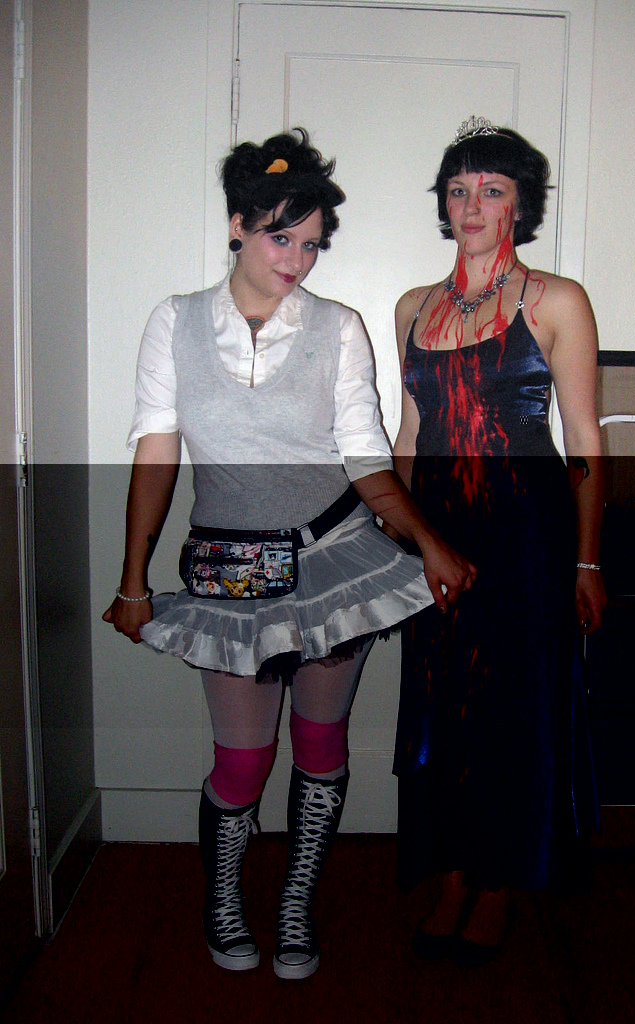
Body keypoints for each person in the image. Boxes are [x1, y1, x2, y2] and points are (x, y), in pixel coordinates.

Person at [103, 129, 474, 981]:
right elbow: (156, 455)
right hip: (230, 568)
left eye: (311, 244)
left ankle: (298, 897)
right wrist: (132, 581)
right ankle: (223, 897)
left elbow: (367, 458)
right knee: (242, 759)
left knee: (320, 743)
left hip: (334, 560)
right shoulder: (175, 321)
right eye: (281, 238)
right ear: (237, 224)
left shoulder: (338, 328)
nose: (298, 261)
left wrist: (429, 545)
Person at [391, 116, 606, 967]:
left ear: (521, 205)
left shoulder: (557, 301)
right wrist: (401, 541)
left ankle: (500, 882)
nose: (472, 205)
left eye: (492, 189)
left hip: (526, 533)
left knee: (514, 709)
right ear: (443, 204)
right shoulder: (412, 307)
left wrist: (587, 560)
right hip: (437, 529)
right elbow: (409, 437)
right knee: (442, 707)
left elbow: (584, 438)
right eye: (458, 190)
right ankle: (451, 874)